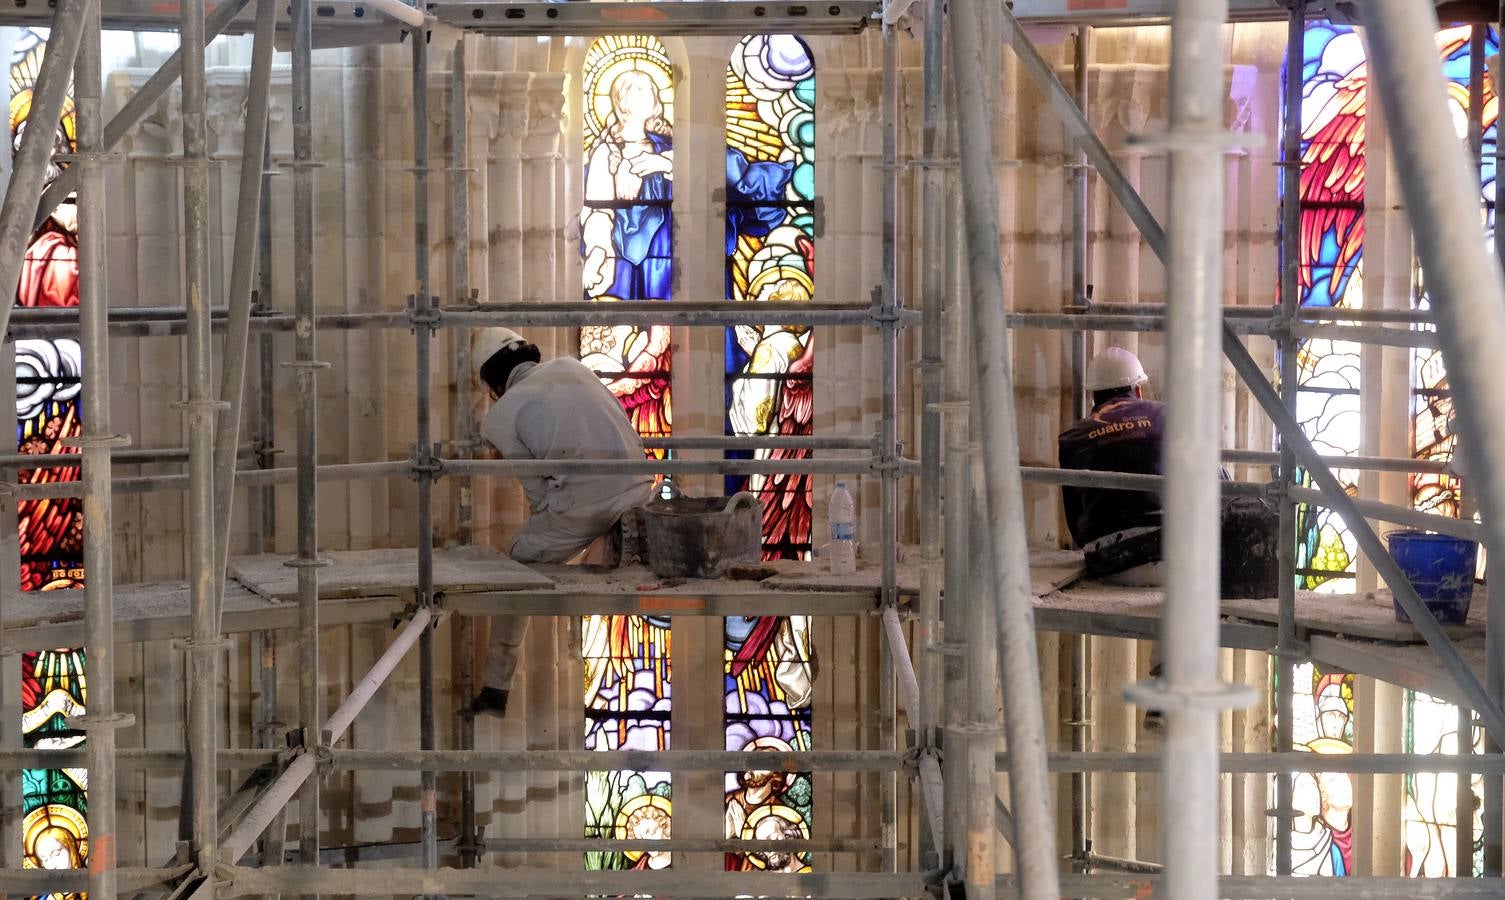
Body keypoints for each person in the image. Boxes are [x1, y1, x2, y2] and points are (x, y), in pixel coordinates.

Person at [462, 327, 654, 718]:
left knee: (520, 558)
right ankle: (617, 543)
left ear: (494, 382)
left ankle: (496, 690)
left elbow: (538, 494)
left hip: (584, 507)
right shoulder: (573, 366)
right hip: (640, 490)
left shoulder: (500, 416)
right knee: (577, 524)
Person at [1058, 347, 1168, 580]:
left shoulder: (1071, 437)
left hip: (1110, 561)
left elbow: (1074, 520)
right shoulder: (1167, 415)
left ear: (1094, 396)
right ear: (1137, 389)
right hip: (1174, 550)